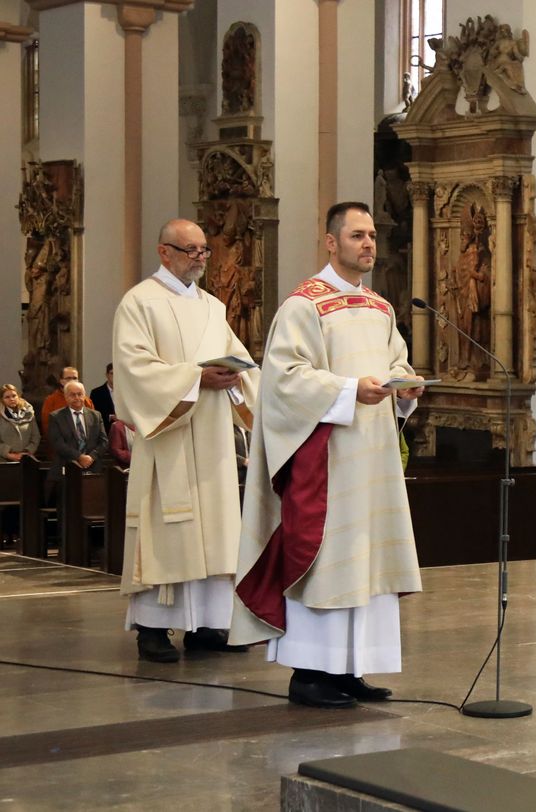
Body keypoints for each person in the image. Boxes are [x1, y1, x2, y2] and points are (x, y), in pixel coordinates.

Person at [231, 201, 425, 709]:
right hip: (329, 458)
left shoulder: (381, 309)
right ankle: (311, 673)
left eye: (372, 236)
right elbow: (284, 380)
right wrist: (346, 390)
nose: (368, 245)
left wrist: (405, 389)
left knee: (367, 563)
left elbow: (396, 362)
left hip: (374, 458)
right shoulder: (304, 305)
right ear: (331, 241)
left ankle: (350, 667)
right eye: (357, 235)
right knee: (330, 560)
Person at [112, 218, 259, 664]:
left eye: (203, 251)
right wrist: (196, 378)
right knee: (167, 532)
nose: (199, 258)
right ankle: (153, 629)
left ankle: (208, 626)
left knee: (213, 530)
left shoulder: (213, 307)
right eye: (189, 250)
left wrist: (235, 378)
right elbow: (134, 370)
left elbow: (243, 363)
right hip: (169, 441)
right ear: (164, 252)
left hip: (211, 439)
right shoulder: (139, 303)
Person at [46, 380, 107, 486]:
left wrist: (91, 457)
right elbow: (58, 444)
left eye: (80, 394)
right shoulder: (56, 417)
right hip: (67, 468)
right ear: (65, 396)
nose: (77, 398)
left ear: (84, 395)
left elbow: (104, 441)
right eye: (73, 395)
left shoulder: (96, 415)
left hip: (93, 468)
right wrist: (79, 457)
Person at [1, 384, 39, 545]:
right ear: (2, 400)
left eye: (14, 396)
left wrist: (27, 452)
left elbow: (36, 436)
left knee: (21, 499)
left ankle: (18, 532)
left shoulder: (29, 413)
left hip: (25, 461)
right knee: (5, 499)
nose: (11, 399)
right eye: (7, 397)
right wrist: (8, 453)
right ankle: (4, 532)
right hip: (4, 463)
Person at [40, 366, 94, 438]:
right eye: (68, 378)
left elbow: (93, 424)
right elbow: (47, 427)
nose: (72, 381)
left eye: (75, 378)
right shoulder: (51, 400)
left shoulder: (86, 400)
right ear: (61, 381)